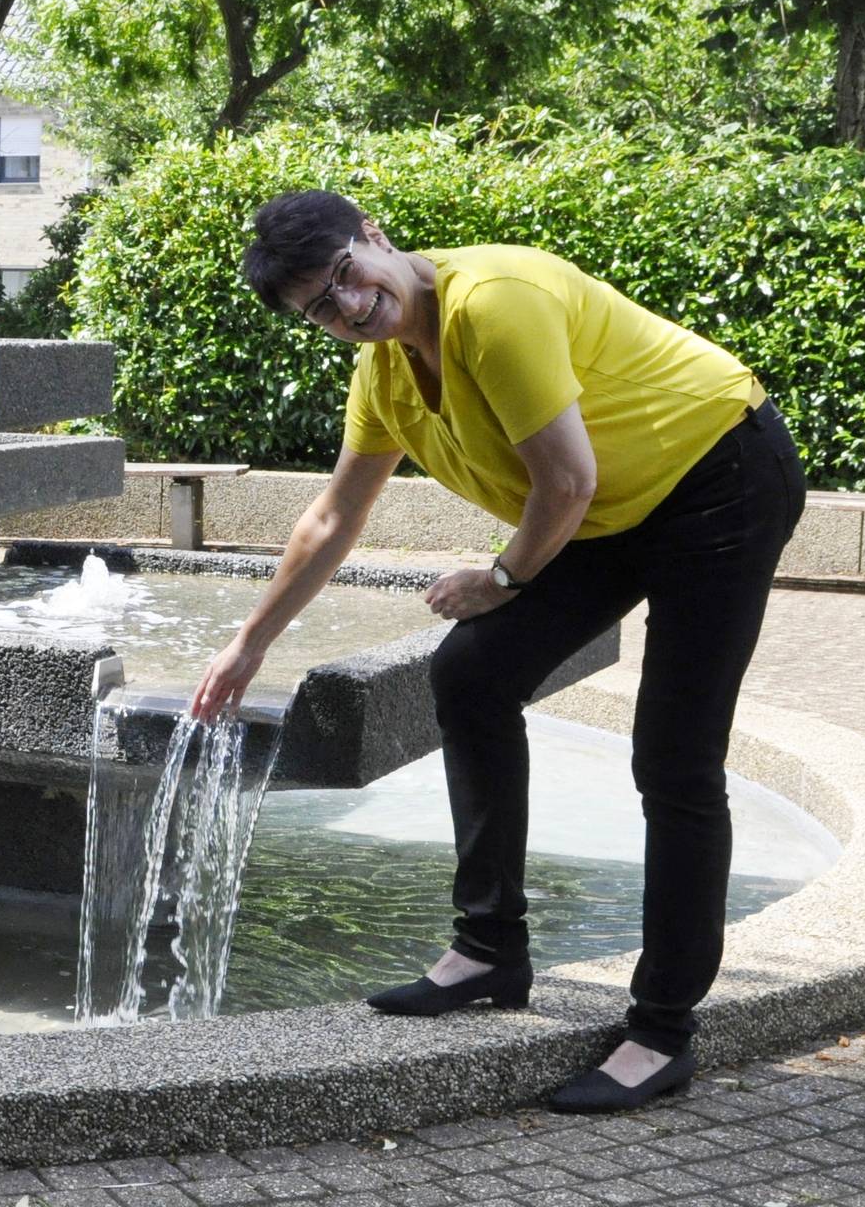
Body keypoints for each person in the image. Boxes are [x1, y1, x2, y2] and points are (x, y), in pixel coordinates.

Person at [189, 190, 806, 1115]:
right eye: (319, 309)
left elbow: (565, 480)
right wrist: (249, 644)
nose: (348, 308)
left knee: (675, 757)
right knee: (470, 675)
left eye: (346, 275)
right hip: (602, 509)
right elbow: (332, 517)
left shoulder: (493, 303)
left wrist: (501, 580)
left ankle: (662, 1029)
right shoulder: (387, 375)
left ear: (373, 236)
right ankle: (488, 950)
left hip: (719, 478)